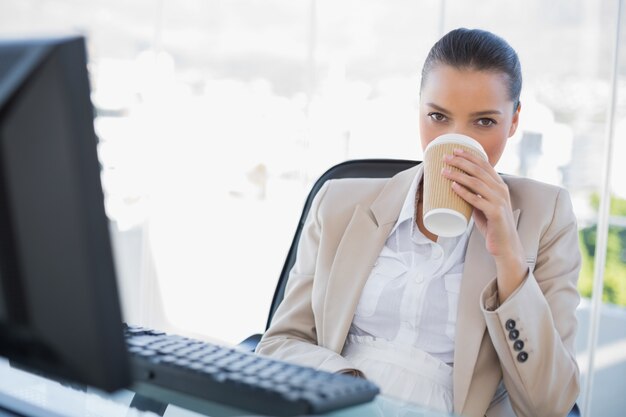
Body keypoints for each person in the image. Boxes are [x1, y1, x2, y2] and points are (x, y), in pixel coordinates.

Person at [256, 28, 580, 417]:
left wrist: (509, 256)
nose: (456, 140)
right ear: (419, 110)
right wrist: (346, 384)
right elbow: (279, 343)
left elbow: (550, 405)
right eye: (438, 116)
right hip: (334, 404)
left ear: (513, 121)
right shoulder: (338, 203)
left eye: (484, 122)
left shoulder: (546, 215)